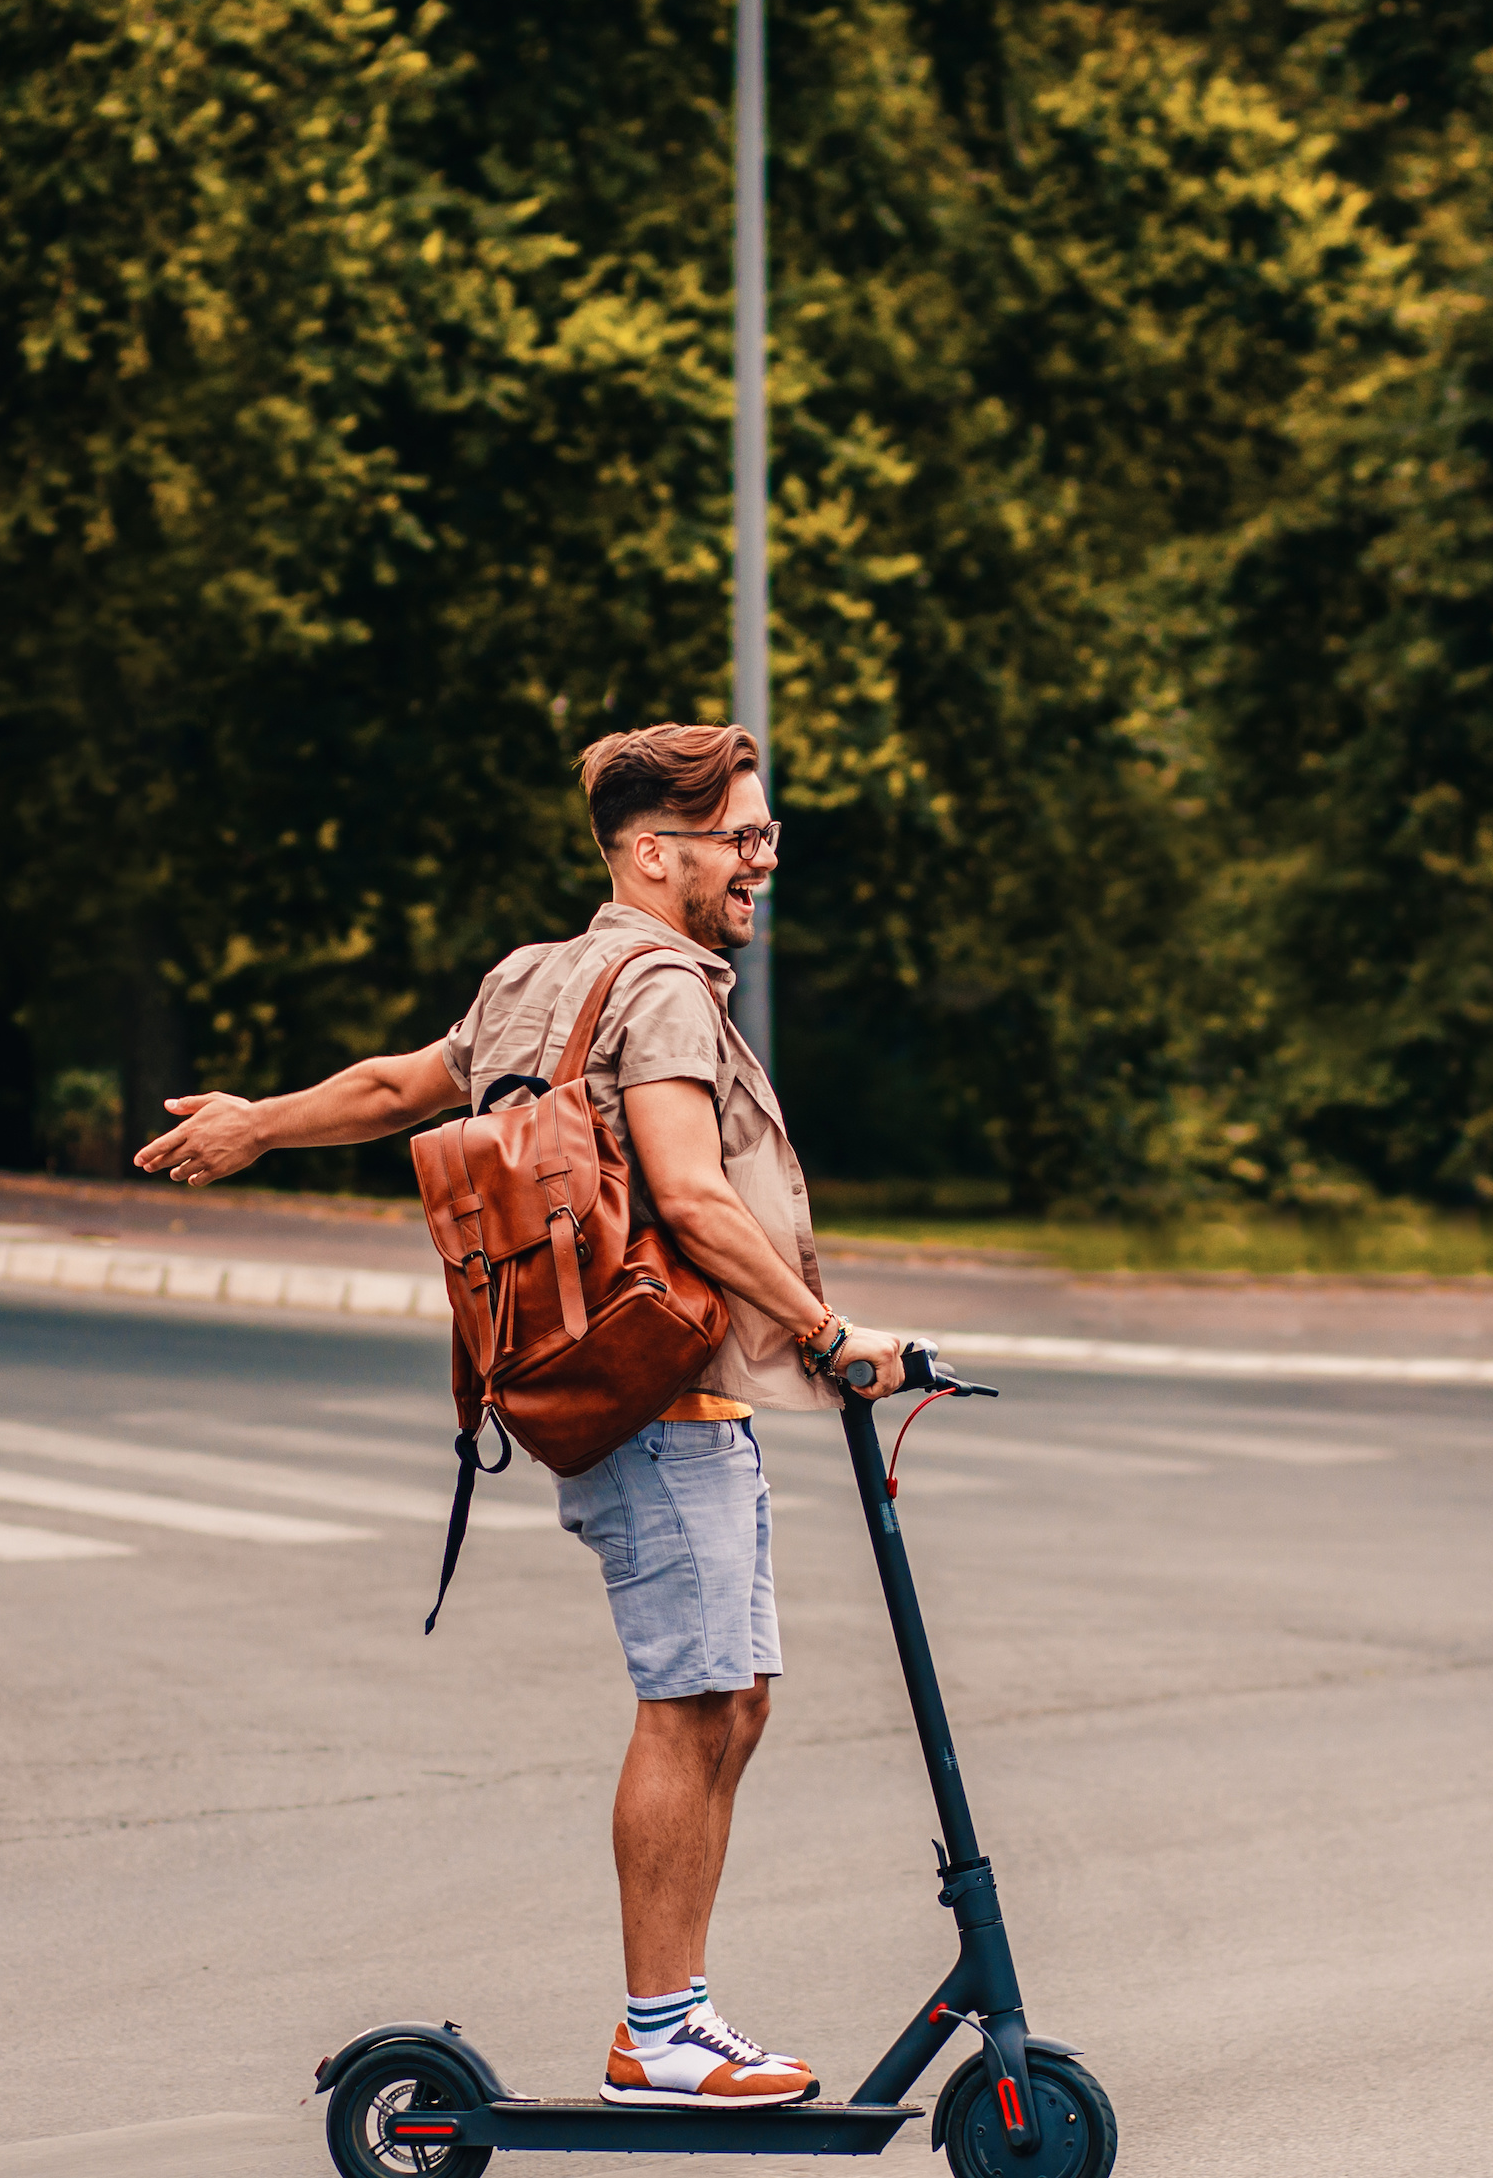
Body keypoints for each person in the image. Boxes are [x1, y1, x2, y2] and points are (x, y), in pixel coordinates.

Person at [135, 722, 912, 2108]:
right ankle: (660, 2031)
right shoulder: (661, 985)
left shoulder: (537, 978)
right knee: (691, 1710)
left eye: (765, 835)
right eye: (745, 836)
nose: (763, 859)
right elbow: (691, 1194)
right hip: (662, 1400)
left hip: (615, 1391)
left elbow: (391, 1090)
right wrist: (829, 1334)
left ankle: (677, 2014)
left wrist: (258, 1121)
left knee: (731, 1706)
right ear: (656, 851)